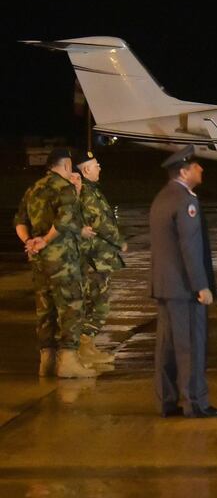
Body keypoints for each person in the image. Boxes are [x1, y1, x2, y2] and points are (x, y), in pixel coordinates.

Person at [149, 145, 217, 418]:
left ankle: (166, 402)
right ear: (184, 171)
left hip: (165, 286)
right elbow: (189, 248)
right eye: (196, 166)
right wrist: (201, 286)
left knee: (167, 348)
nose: (201, 169)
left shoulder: (162, 197)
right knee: (191, 347)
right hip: (185, 288)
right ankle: (196, 404)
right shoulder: (186, 201)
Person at [13, 147, 97, 378]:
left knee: (45, 307)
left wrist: (31, 241)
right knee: (71, 305)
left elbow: (20, 220)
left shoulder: (34, 189)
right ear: (67, 165)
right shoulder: (65, 189)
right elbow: (65, 221)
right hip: (63, 259)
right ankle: (68, 361)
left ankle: (47, 361)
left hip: (38, 260)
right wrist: (46, 240)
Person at [75, 150, 126, 365]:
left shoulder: (91, 191)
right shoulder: (87, 192)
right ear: (86, 169)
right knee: (99, 305)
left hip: (98, 258)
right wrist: (119, 241)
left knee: (95, 303)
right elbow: (100, 222)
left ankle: (88, 347)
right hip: (95, 259)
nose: (99, 168)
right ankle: (83, 347)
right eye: (96, 165)